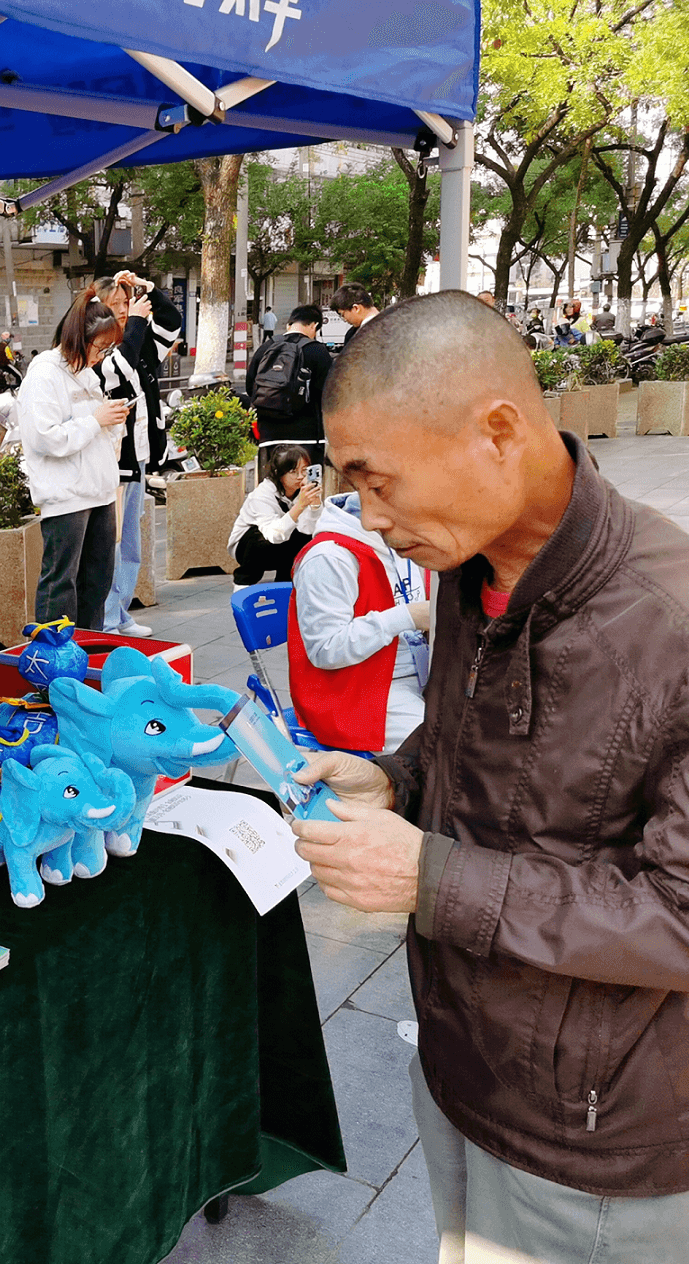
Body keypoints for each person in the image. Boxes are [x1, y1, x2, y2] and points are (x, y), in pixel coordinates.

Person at [289, 291, 689, 1261]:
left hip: (589, 1139)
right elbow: (465, 743)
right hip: (457, 1067)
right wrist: (391, 779)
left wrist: (424, 878)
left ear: (496, 432)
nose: (368, 520)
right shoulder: (464, 569)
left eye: (376, 483)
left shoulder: (667, 620)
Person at [287, 490, 430, 755]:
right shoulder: (329, 557)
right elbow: (325, 649)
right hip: (356, 693)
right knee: (444, 752)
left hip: (410, 676)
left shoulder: (397, 538)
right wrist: (407, 616)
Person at [19, 287, 128, 629]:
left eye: (108, 349)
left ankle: (89, 652)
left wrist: (109, 420)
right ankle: (53, 662)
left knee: (97, 581)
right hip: (66, 495)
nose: (102, 356)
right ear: (79, 339)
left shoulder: (83, 372)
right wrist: (96, 419)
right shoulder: (44, 373)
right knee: (61, 583)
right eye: (100, 348)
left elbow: (93, 428)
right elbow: (45, 437)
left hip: (98, 491)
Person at [95, 271, 183, 637]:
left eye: (125, 303)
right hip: (112, 460)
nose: (123, 311)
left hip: (140, 453)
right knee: (112, 542)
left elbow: (171, 324)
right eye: (114, 306)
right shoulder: (98, 352)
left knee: (131, 539)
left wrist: (149, 289)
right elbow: (118, 370)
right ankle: (105, 617)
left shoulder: (138, 339)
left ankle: (120, 611)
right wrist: (134, 323)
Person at [227, 444, 322, 585]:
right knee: (259, 538)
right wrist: (300, 506)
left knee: (304, 538)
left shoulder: (303, 491)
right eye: (293, 472)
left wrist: (315, 506)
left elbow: (309, 531)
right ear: (278, 473)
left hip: (282, 544)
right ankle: (243, 584)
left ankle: (286, 585)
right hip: (249, 548)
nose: (300, 477)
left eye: (304, 471)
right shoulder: (261, 495)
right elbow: (273, 535)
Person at [245, 303, 332, 454]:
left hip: (269, 436)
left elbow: (250, 386)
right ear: (314, 325)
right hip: (307, 438)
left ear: (289, 324)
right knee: (305, 478)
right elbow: (328, 393)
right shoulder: (318, 351)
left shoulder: (266, 348)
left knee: (270, 478)